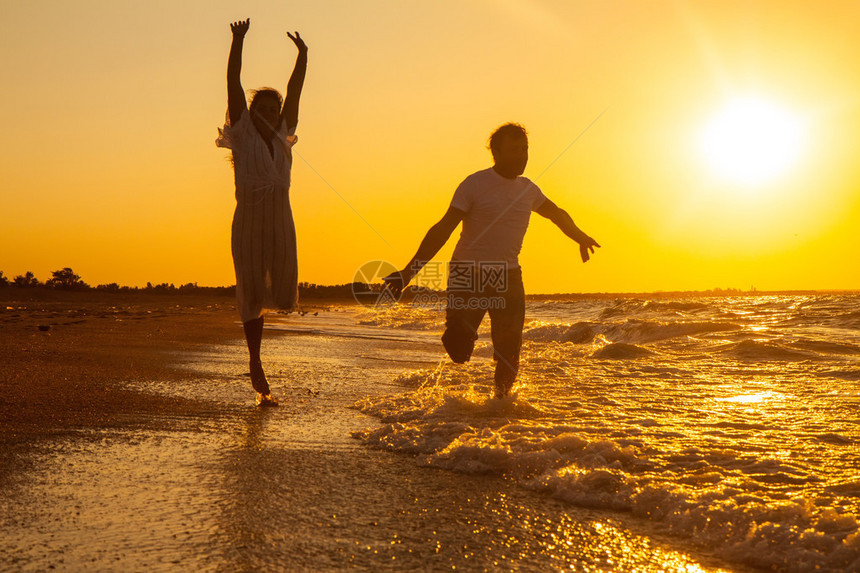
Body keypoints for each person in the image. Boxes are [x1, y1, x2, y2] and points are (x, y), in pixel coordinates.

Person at [384, 123, 600, 399]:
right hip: (467, 274)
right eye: (514, 150)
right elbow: (443, 229)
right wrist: (407, 273)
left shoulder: (528, 189)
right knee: (459, 350)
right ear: (495, 152)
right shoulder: (474, 184)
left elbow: (557, 213)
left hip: (508, 276)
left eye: (525, 149)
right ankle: (462, 335)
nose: (522, 156)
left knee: (510, 350)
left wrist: (579, 236)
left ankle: (500, 407)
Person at [216, 19, 308, 406]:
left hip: (282, 218)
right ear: (252, 112)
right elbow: (234, 84)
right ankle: (255, 359)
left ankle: (257, 355)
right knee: (251, 288)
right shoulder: (243, 131)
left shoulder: (285, 132)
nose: (270, 113)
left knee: (285, 286)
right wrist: (237, 42)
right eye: (263, 108)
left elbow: (295, 89)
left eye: (275, 109)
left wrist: (303, 56)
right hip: (249, 219)